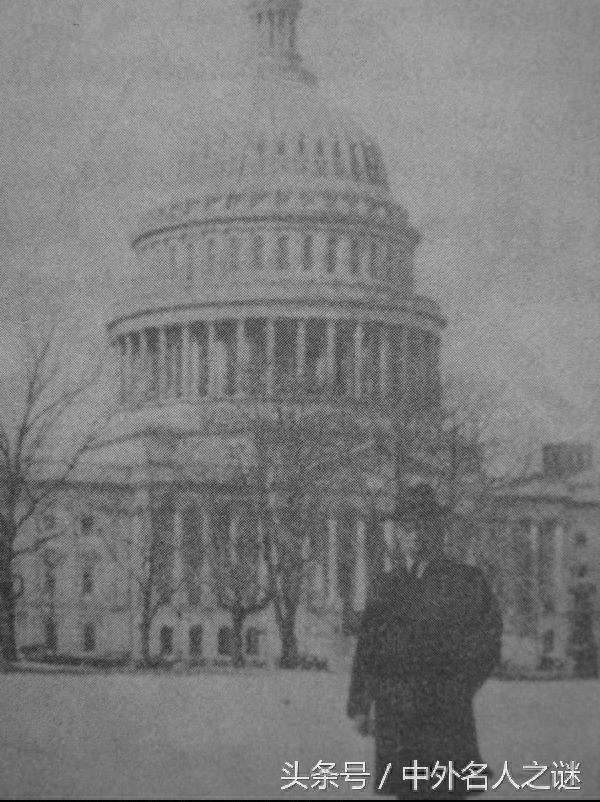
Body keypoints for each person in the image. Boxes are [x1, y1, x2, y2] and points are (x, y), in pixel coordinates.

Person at [347, 486, 502, 800]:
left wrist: (456, 688)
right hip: (396, 718)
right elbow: (368, 650)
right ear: (397, 533)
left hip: (444, 717)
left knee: (443, 792)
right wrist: (361, 705)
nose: (415, 535)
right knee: (408, 793)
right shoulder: (385, 585)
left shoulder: (466, 580)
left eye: (424, 526)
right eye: (407, 527)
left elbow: (488, 641)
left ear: (439, 530)